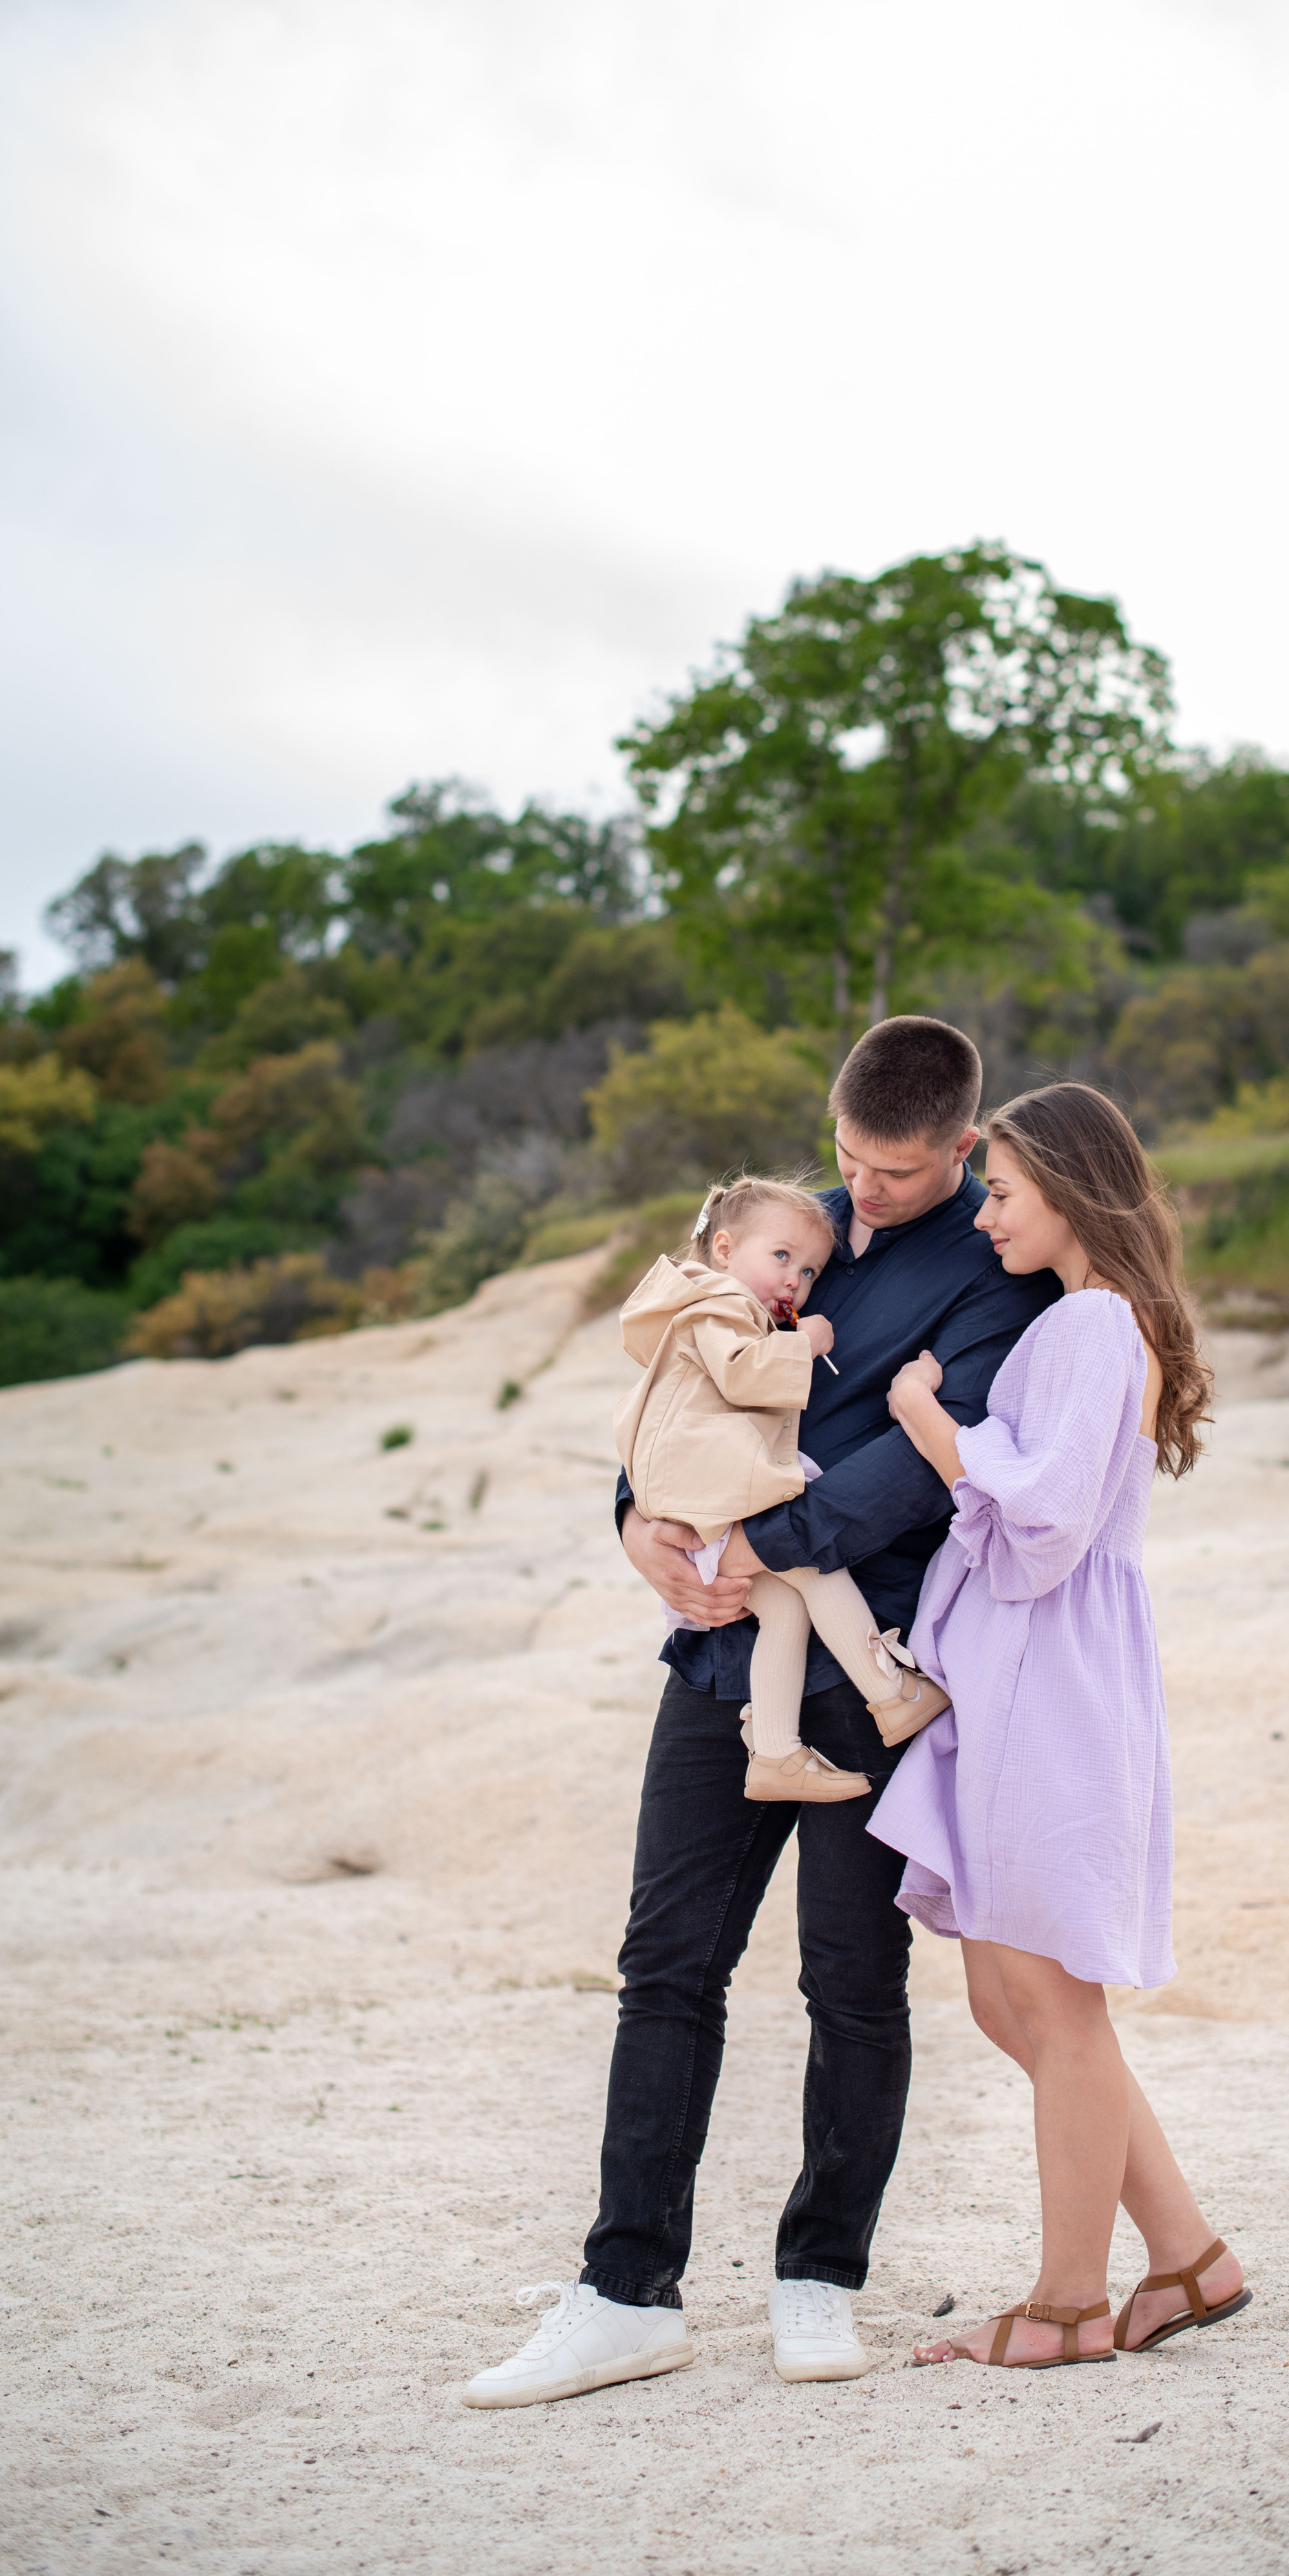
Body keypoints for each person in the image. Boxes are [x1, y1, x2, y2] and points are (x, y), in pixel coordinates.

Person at [461, 1017, 1058, 2410]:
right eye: (848, 1157)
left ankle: (820, 2275)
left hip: (870, 1669)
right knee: (664, 1963)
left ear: (960, 1153)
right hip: (719, 1657)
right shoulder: (789, 1229)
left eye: (898, 1172)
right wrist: (635, 1528)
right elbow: (672, 1389)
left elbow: (921, 1477)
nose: (864, 1192)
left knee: (849, 1984)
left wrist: (756, 1543)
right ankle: (624, 2292)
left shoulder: (993, 1269)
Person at [867, 1082, 1251, 2372]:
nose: (988, 1218)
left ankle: (1067, 2301)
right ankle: (1188, 2255)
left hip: (1053, 1674)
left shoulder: (1093, 1320)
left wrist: (928, 1421)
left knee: (1049, 1996)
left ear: (1075, 1193)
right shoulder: (1088, 1320)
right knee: (1006, 1994)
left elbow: (1044, 1528)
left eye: (1009, 1195)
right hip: (1029, 1673)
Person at [614, 1175, 950, 1807]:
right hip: (704, 1489)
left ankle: (773, 1751)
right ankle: (890, 1693)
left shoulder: (724, 1305)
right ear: (723, 1249)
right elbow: (742, 1376)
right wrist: (804, 1343)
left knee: (785, 1608)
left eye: (810, 1271)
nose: (795, 1280)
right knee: (812, 1564)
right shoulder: (718, 1303)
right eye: (781, 1258)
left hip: (696, 1493)